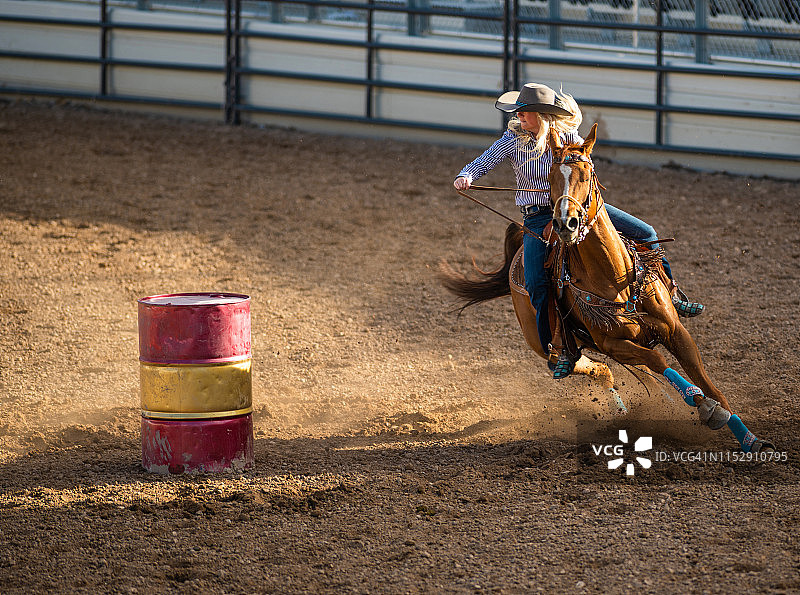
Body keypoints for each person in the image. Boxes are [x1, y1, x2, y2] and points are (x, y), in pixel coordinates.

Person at [453, 82, 703, 379]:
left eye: (525, 110)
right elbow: (486, 160)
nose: (519, 114)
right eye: (518, 110)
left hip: (579, 208)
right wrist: (466, 175)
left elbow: (586, 173)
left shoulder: (570, 138)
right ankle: (560, 347)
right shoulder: (514, 139)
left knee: (646, 232)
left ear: (542, 115)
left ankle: (672, 294)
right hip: (537, 217)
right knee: (536, 284)